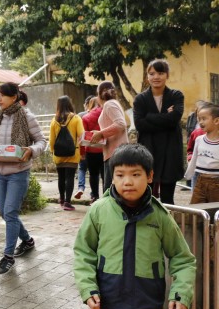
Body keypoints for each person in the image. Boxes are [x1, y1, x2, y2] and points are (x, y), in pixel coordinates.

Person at [74, 143, 196, 309]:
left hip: (145, 307)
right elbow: (83, 252)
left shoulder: (160, 217)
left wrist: (181, 293)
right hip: (106, 305)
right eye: (120, 175)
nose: (127, 181)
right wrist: (87, 288)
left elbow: (183, 258)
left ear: (150, 176)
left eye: (135, 174)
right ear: (112, 178)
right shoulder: (99, 211)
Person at [0, 83, 46, 275]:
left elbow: (42, 141)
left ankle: (8, 256)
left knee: (10, 213)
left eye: (2, 95)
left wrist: (31, 150)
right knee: (5, 213)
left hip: (18, 172)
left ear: (14, 97)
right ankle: (27, 241)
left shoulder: (27, 117)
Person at [133, 59, 184, 205]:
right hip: (148, 150)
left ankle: (168, 226)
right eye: (152, 73)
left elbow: (174, 119)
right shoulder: (140, 99)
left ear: (167, 75)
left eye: (160, 73)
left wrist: (149, 116)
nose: (156, 77)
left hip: (170, 150)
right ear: (147, 76)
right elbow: (140, 125)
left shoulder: (176, 95)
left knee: (168, 199)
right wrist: (165, 117)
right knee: (145, 197)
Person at [89, 82, 129, 192]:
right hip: (113, 152)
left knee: (110, 191)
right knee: (112, 190)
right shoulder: (112, 104)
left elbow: (121, 124)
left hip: (115, 153)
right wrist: (99, 133)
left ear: (100, 94)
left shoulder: (109, 104)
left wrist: (101, 133)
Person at [49, 96, 84, 211]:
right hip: (72, 153)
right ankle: (68, 202)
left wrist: (52, 151)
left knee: (61, 177)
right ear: (70, 104)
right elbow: (81, 135)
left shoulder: (54, 120)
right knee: (70, 177)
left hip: (58, 154)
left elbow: (52, 139)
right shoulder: (76, 118)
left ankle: (62, 199)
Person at [185, 102, 219, 204]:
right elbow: (194, 158)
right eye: (199, 119)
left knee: (215, 211)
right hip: (200, 180)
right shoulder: (199, 139)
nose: (200, 122)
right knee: (196, 210)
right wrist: (188, 175)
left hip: (216, 183)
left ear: (216, 121)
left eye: (204, 119)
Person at [81, 96, 105, 203]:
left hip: (91, 150)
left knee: (93, 174)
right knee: (106, 175)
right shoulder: (105, 114)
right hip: (105, 150)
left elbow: (82, 137)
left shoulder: (85, 117)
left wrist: (82, 153)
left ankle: (95, 196)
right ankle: (107, 196)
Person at [76, 96, 94, 200]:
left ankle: (81, 188)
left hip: (82, 146)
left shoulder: (80, 116)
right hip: (94, 148)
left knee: (82, 169)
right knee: (93, 172)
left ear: (86, 104)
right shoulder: (98, 115)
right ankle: (93, 194)